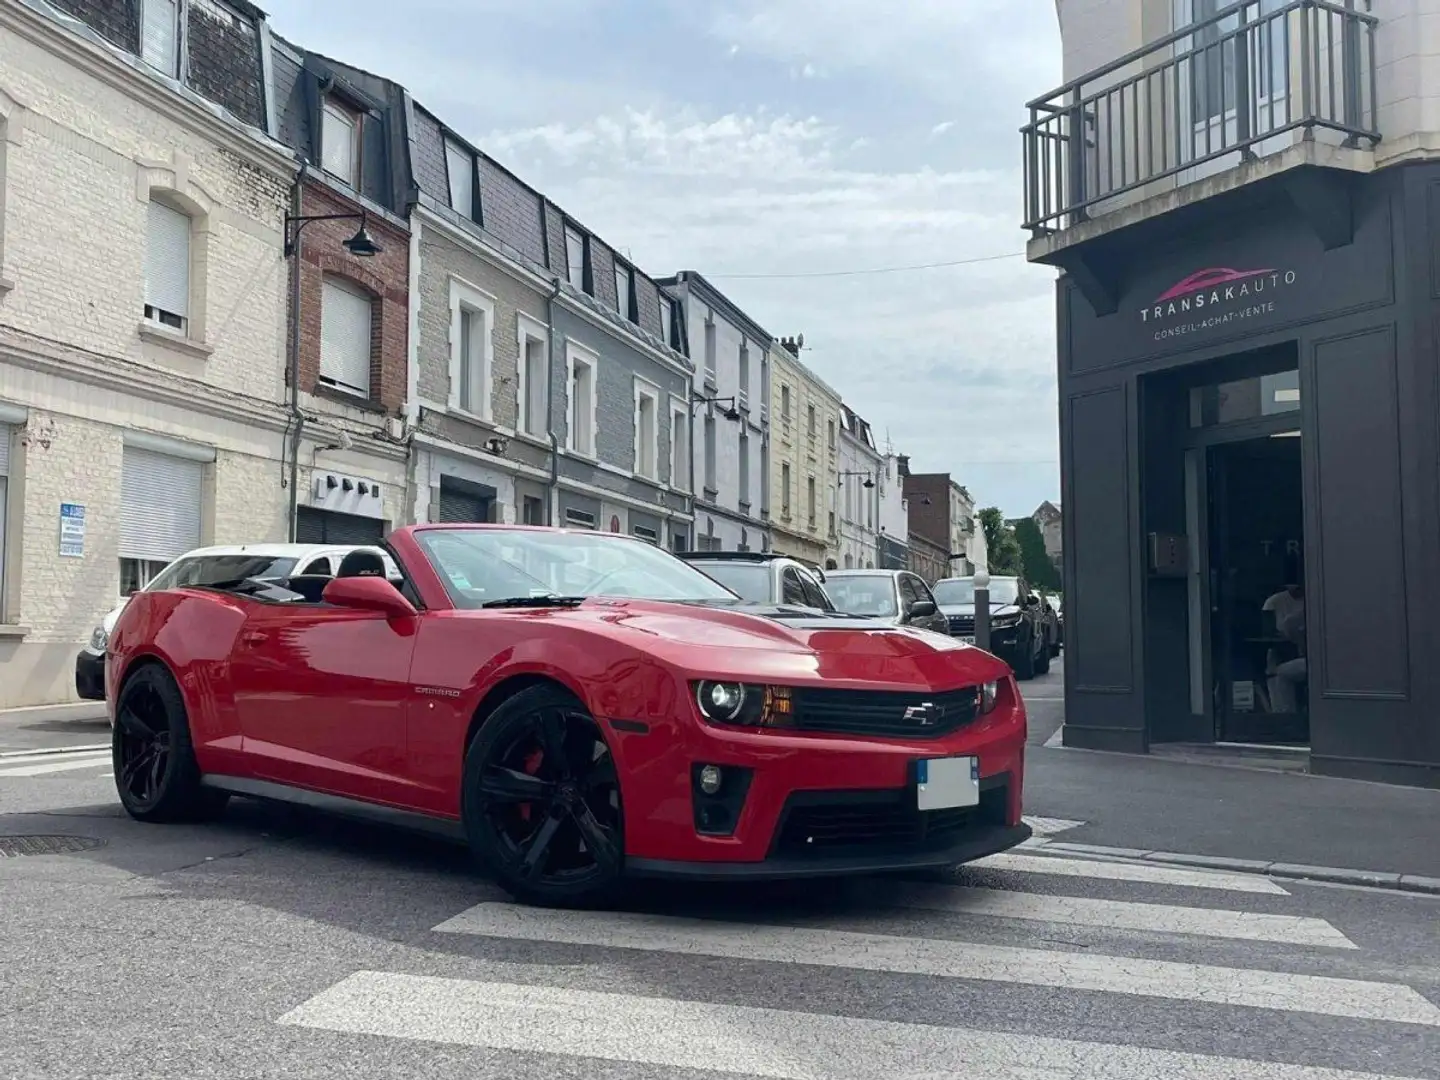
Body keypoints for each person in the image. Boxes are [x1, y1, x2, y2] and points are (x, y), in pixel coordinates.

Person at [1262, 566, 1306, 714]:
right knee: (1273, 672)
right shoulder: (1274, 602)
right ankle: (1280, 714)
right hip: (1283, 651)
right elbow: (1267, 632)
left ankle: (1287, 716)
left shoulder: (1313, 600)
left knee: (1281, 674)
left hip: (1311, 658)